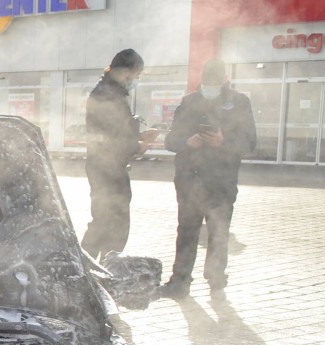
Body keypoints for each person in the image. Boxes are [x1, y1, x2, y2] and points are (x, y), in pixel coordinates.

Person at [159, 58, 257, 299]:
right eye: (207, 82)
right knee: (187, 231)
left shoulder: (239, 103)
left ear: (224, 79)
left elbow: (250, 142)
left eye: (214, 82)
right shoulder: (189, 102)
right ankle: (179, 282)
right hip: (190, 181)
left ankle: (216, 280)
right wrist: (187, 142)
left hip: (222, 181)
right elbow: (170, 141)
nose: (210, 87)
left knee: (219, 231)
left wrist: (224, 143)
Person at [80, 49, 157, 258]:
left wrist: (138, 135)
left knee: (104, 220)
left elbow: (117, 131)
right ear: (126, 73)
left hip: (104, 165)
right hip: (107, 168)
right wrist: (138, 146)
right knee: (109, 222)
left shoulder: (107, 91)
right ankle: (92, 267)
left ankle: (92, 266)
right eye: (137, 76)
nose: (136, 81)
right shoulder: (109, 95)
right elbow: (114, 137)